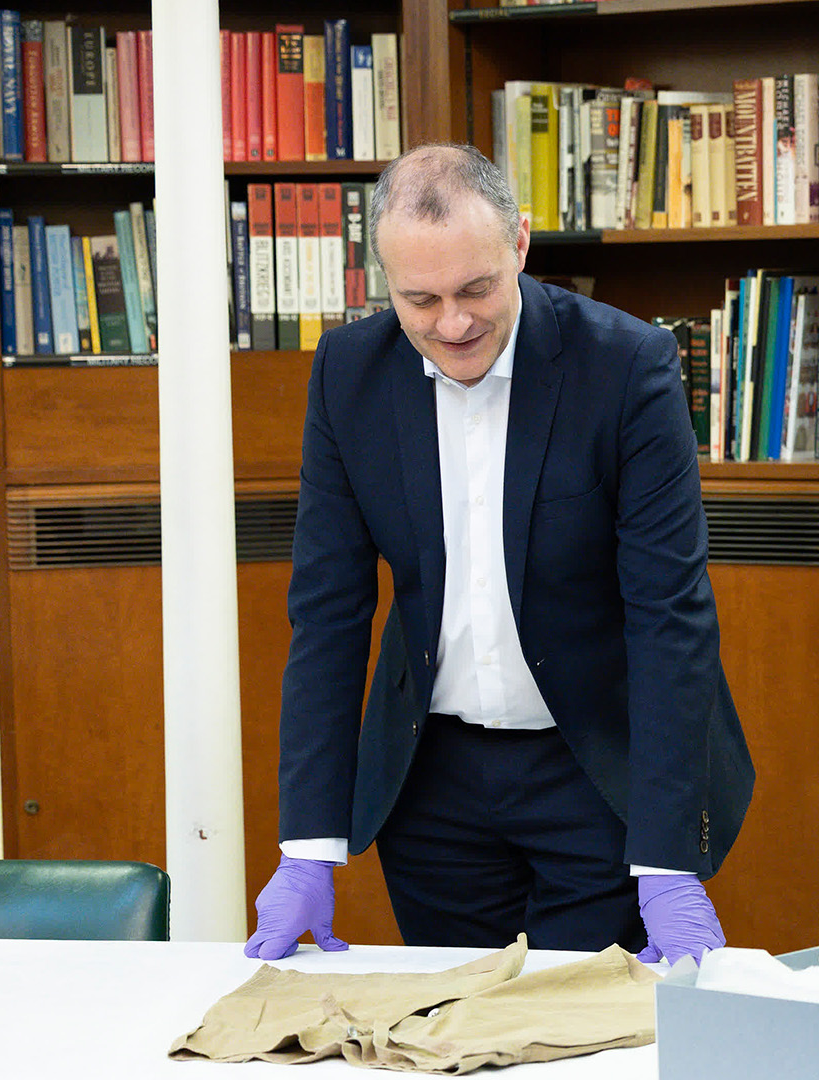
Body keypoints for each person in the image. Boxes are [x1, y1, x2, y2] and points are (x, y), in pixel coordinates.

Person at [243, 144, 753, 963]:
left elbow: (670, 616)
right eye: (421, 299)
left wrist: (665, 859)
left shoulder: (626, 367)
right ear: (385, 277)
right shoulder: (349, 375)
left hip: (595, 768)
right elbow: (328, 612)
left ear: (519, 244)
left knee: (573, 1033)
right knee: (455, 1025)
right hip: (430, 782)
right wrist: (308, 843)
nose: (452, 323)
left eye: (476, 289)